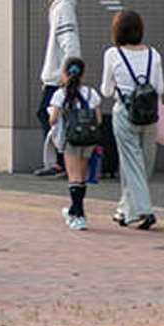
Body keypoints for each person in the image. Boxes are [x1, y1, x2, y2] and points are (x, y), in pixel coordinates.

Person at [101, 9, 164, 230]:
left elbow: (106, 90)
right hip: (150, 113)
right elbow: (160, 88)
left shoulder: (112, 54)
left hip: (125, 112)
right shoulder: (154, 55)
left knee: (130, 162)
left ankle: (144, 210)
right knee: (143, 163)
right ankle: (124, 211)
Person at [45, 56, 103, 231]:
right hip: (89, 140)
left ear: (64, 73)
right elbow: (98, 120)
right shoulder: (91, 93)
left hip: (71, 140)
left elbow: (53, 120)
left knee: (74, 178)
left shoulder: (61, 94)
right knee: (82, 178)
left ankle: (78, 216)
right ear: (83, 74)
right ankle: (74, 211)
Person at [34, 0, 82, 176]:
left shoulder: (63, 8)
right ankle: (60, 162)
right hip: (58, 75)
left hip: (59, 78)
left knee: (49, 115)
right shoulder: (58, 7)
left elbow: (69, 42)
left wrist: (69, 73)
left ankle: (60, 163)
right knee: (56, 117)